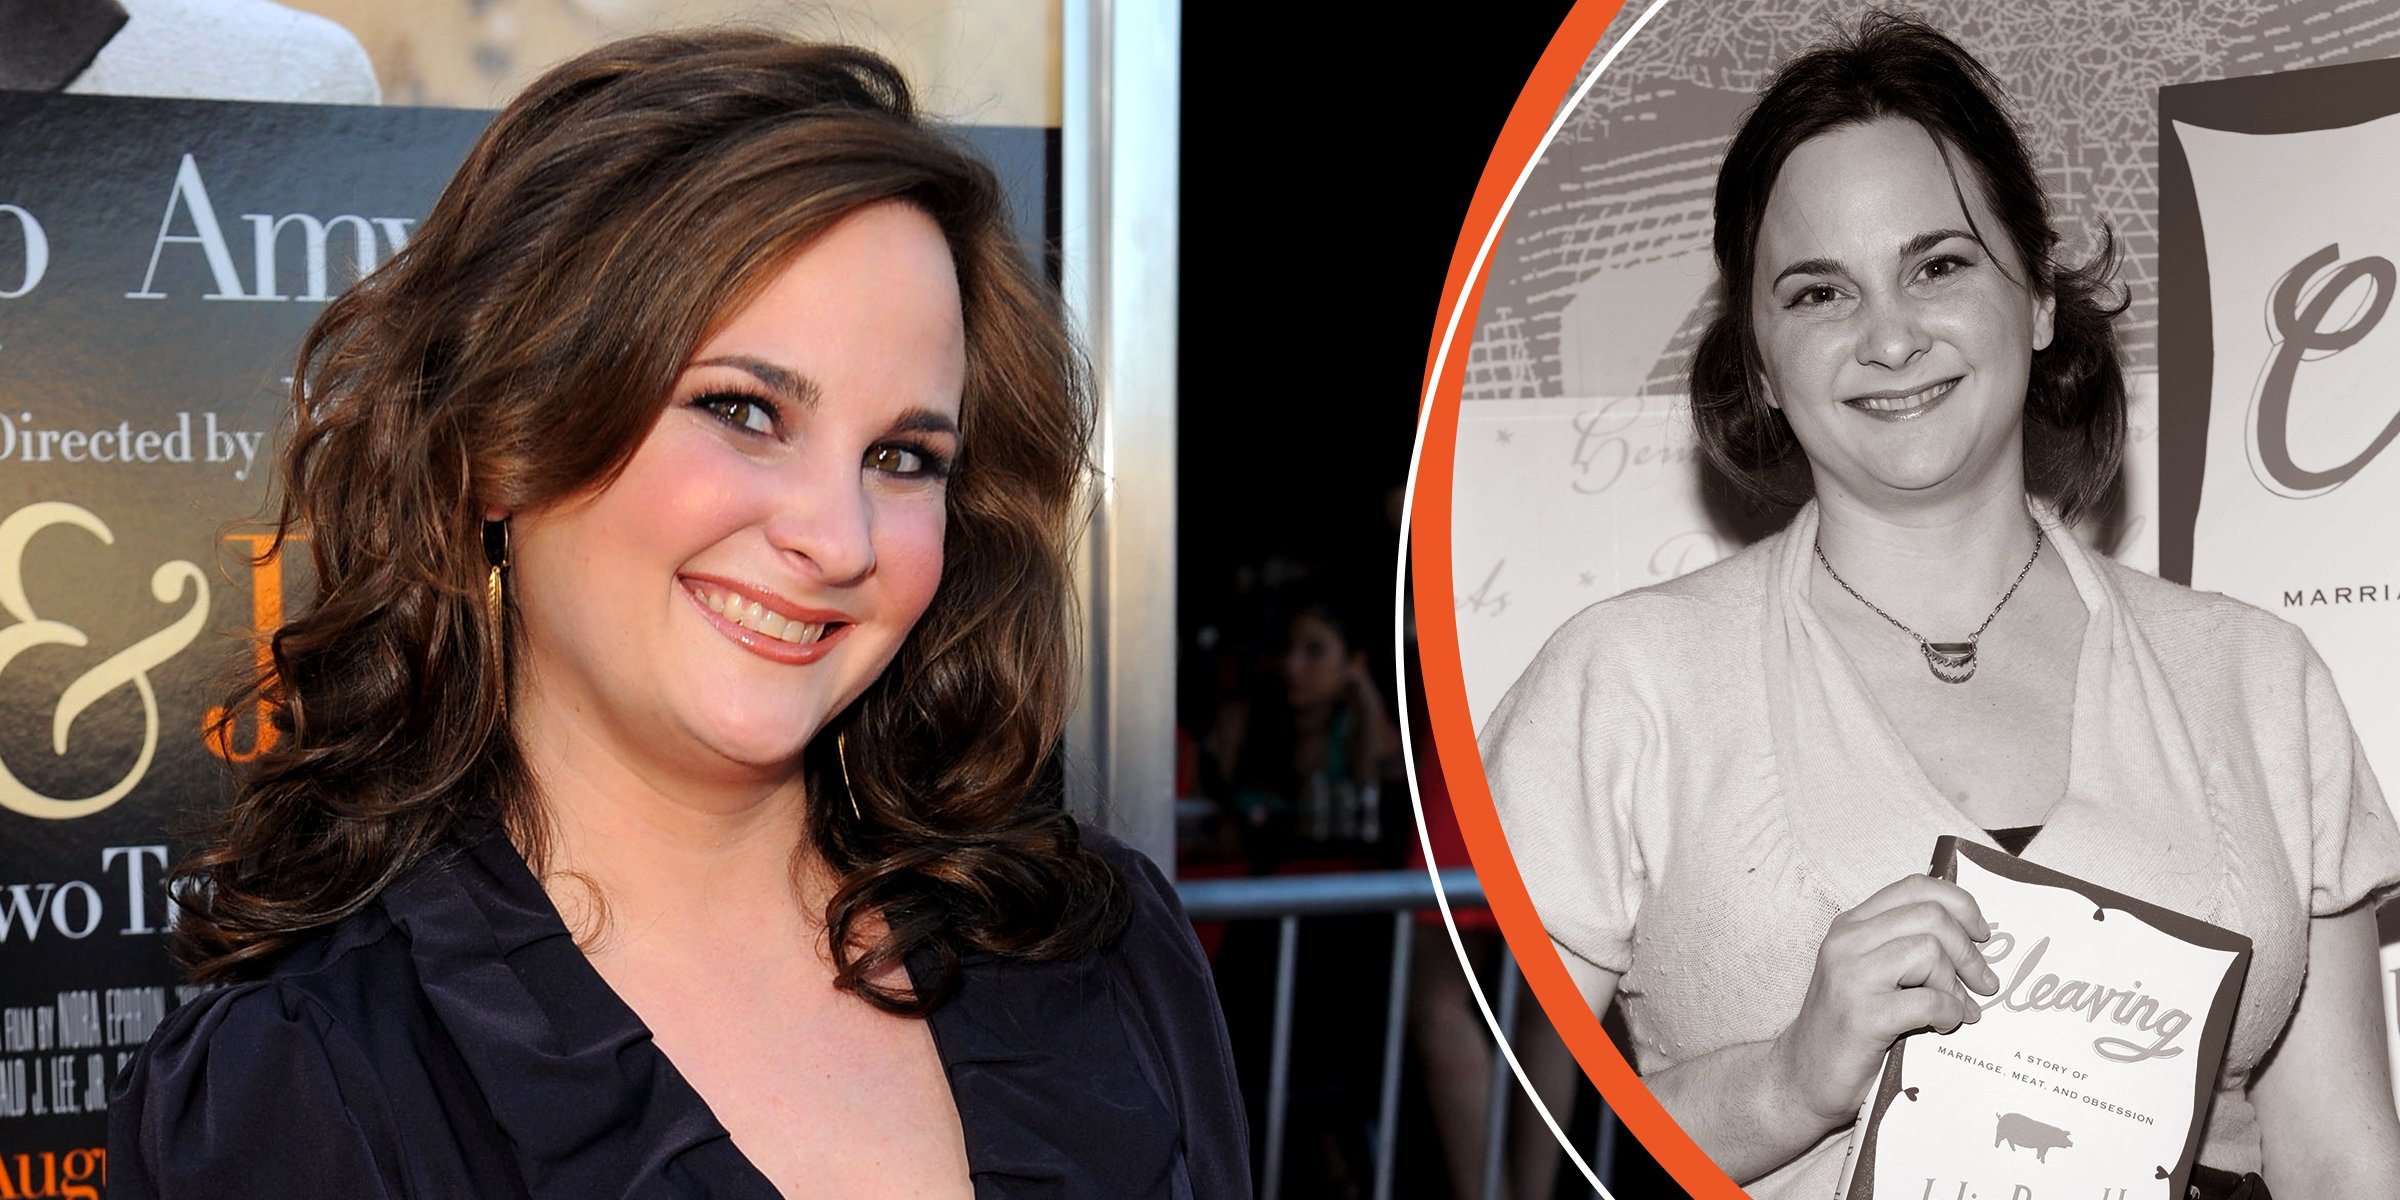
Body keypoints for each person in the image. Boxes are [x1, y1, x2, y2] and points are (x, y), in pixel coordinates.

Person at [108, 31, 1247, 1199]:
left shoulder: (1097, 948)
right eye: (743, 410)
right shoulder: (304, 1093)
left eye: (904, 456)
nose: (839, 539)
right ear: (504, 445)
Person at [1479, 13, 2400, 1199]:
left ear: (2037, 298)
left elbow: (2345, 1166)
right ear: (1758, 361)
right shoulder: (1622, 682)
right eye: (1817, 293)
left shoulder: (2259, 680)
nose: (1891, 335)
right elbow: (1515, 1147)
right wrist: (1786, 1081)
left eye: (1940, 263)